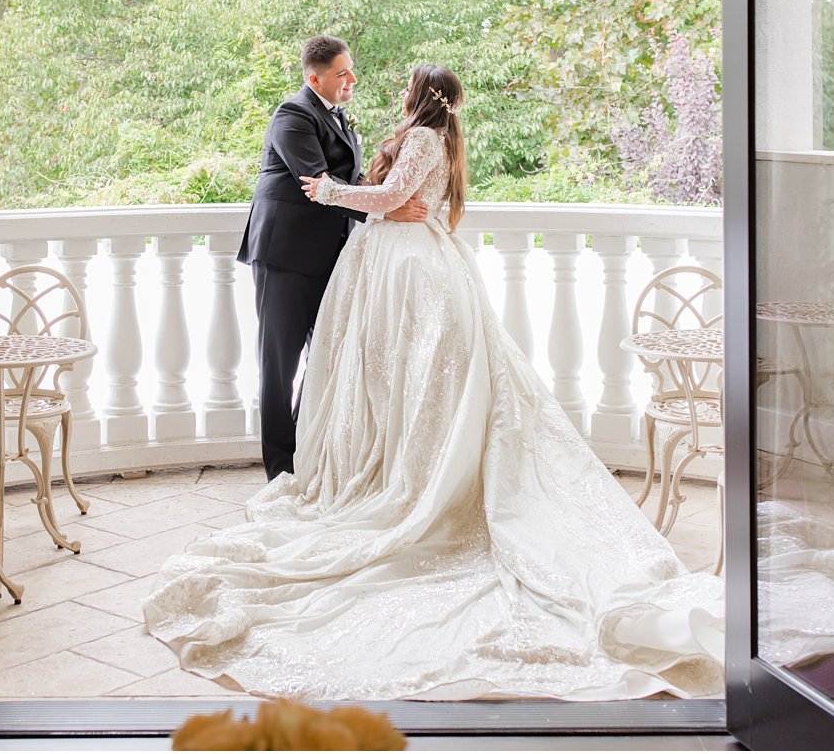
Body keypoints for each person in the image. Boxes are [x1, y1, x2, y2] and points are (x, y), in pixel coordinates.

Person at [146, 64, 728, 701]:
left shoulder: (424, 136)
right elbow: (407, 201)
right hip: (405, 260)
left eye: (405, 85)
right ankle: (400, 463)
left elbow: (396, 199)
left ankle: (413, 481)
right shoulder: (432, 133)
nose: (391, 89)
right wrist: (379, 204)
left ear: (420, 94)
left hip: (412, 268)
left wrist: (332, 192)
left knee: (420, 382)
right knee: (403, 384)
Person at [236, 35, 426, 480]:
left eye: (351, 70)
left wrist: (391, 193)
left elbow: (351, 178)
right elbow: (319, 184)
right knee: (278, 365)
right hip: (284, 255)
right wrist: (386, 208)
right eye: (342, 73)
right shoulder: (292, 115)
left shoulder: (339, 117)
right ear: (314, 78)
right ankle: (280, 470)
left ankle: (309, 452)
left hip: (329, 256)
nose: (352, 79)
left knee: (330, 355)